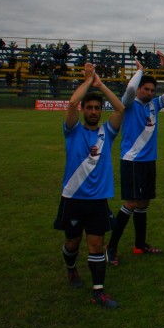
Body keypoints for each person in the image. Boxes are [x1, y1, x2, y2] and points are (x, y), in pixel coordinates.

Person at [53, 62, 124, 308]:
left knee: (96, 244)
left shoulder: (108, 132)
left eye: (97, 108)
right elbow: (71, 104)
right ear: (84, 110)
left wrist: (100, 84)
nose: (94, 111)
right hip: (73, 197)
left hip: (97, 200)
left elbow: (120, 108)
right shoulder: (72, 131)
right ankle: (71, 268)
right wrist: (87, 80)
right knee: (72, 242)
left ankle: (99, 291)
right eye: (90, 107)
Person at [106, 51, 164, 265]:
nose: (149, 92)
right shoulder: (128, 104)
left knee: (144, 202)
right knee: (130, 203)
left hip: (149, 161)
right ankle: (110, 247)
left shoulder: (155, 104)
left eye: (151, 90)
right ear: (139, 88)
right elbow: (129, 89)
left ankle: (140, 245)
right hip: (132, 161)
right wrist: (140, 71)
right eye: (146, 89)